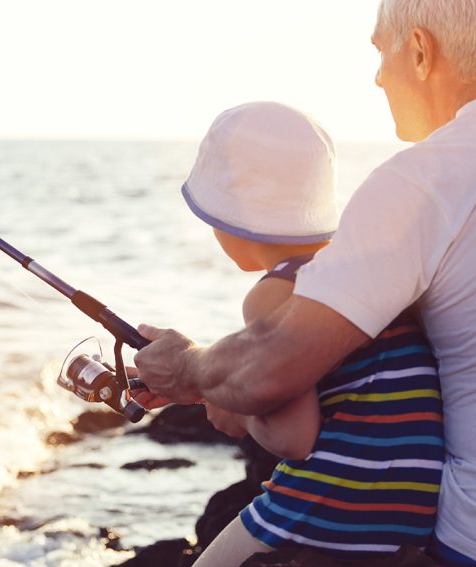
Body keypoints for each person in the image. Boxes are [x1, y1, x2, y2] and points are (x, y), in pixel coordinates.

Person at [134, 1, 476, 566]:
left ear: (418, 50)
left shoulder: (427, 177)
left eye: (379, 52)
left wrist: (191, 368)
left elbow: (274, 363)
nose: (378, 76)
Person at [163, 101, 444, 566]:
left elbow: (294, 438)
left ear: (230, 214)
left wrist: (238, 408)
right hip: (409, 521)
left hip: (325, 515)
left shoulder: (273, 293)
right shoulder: (369, 271)